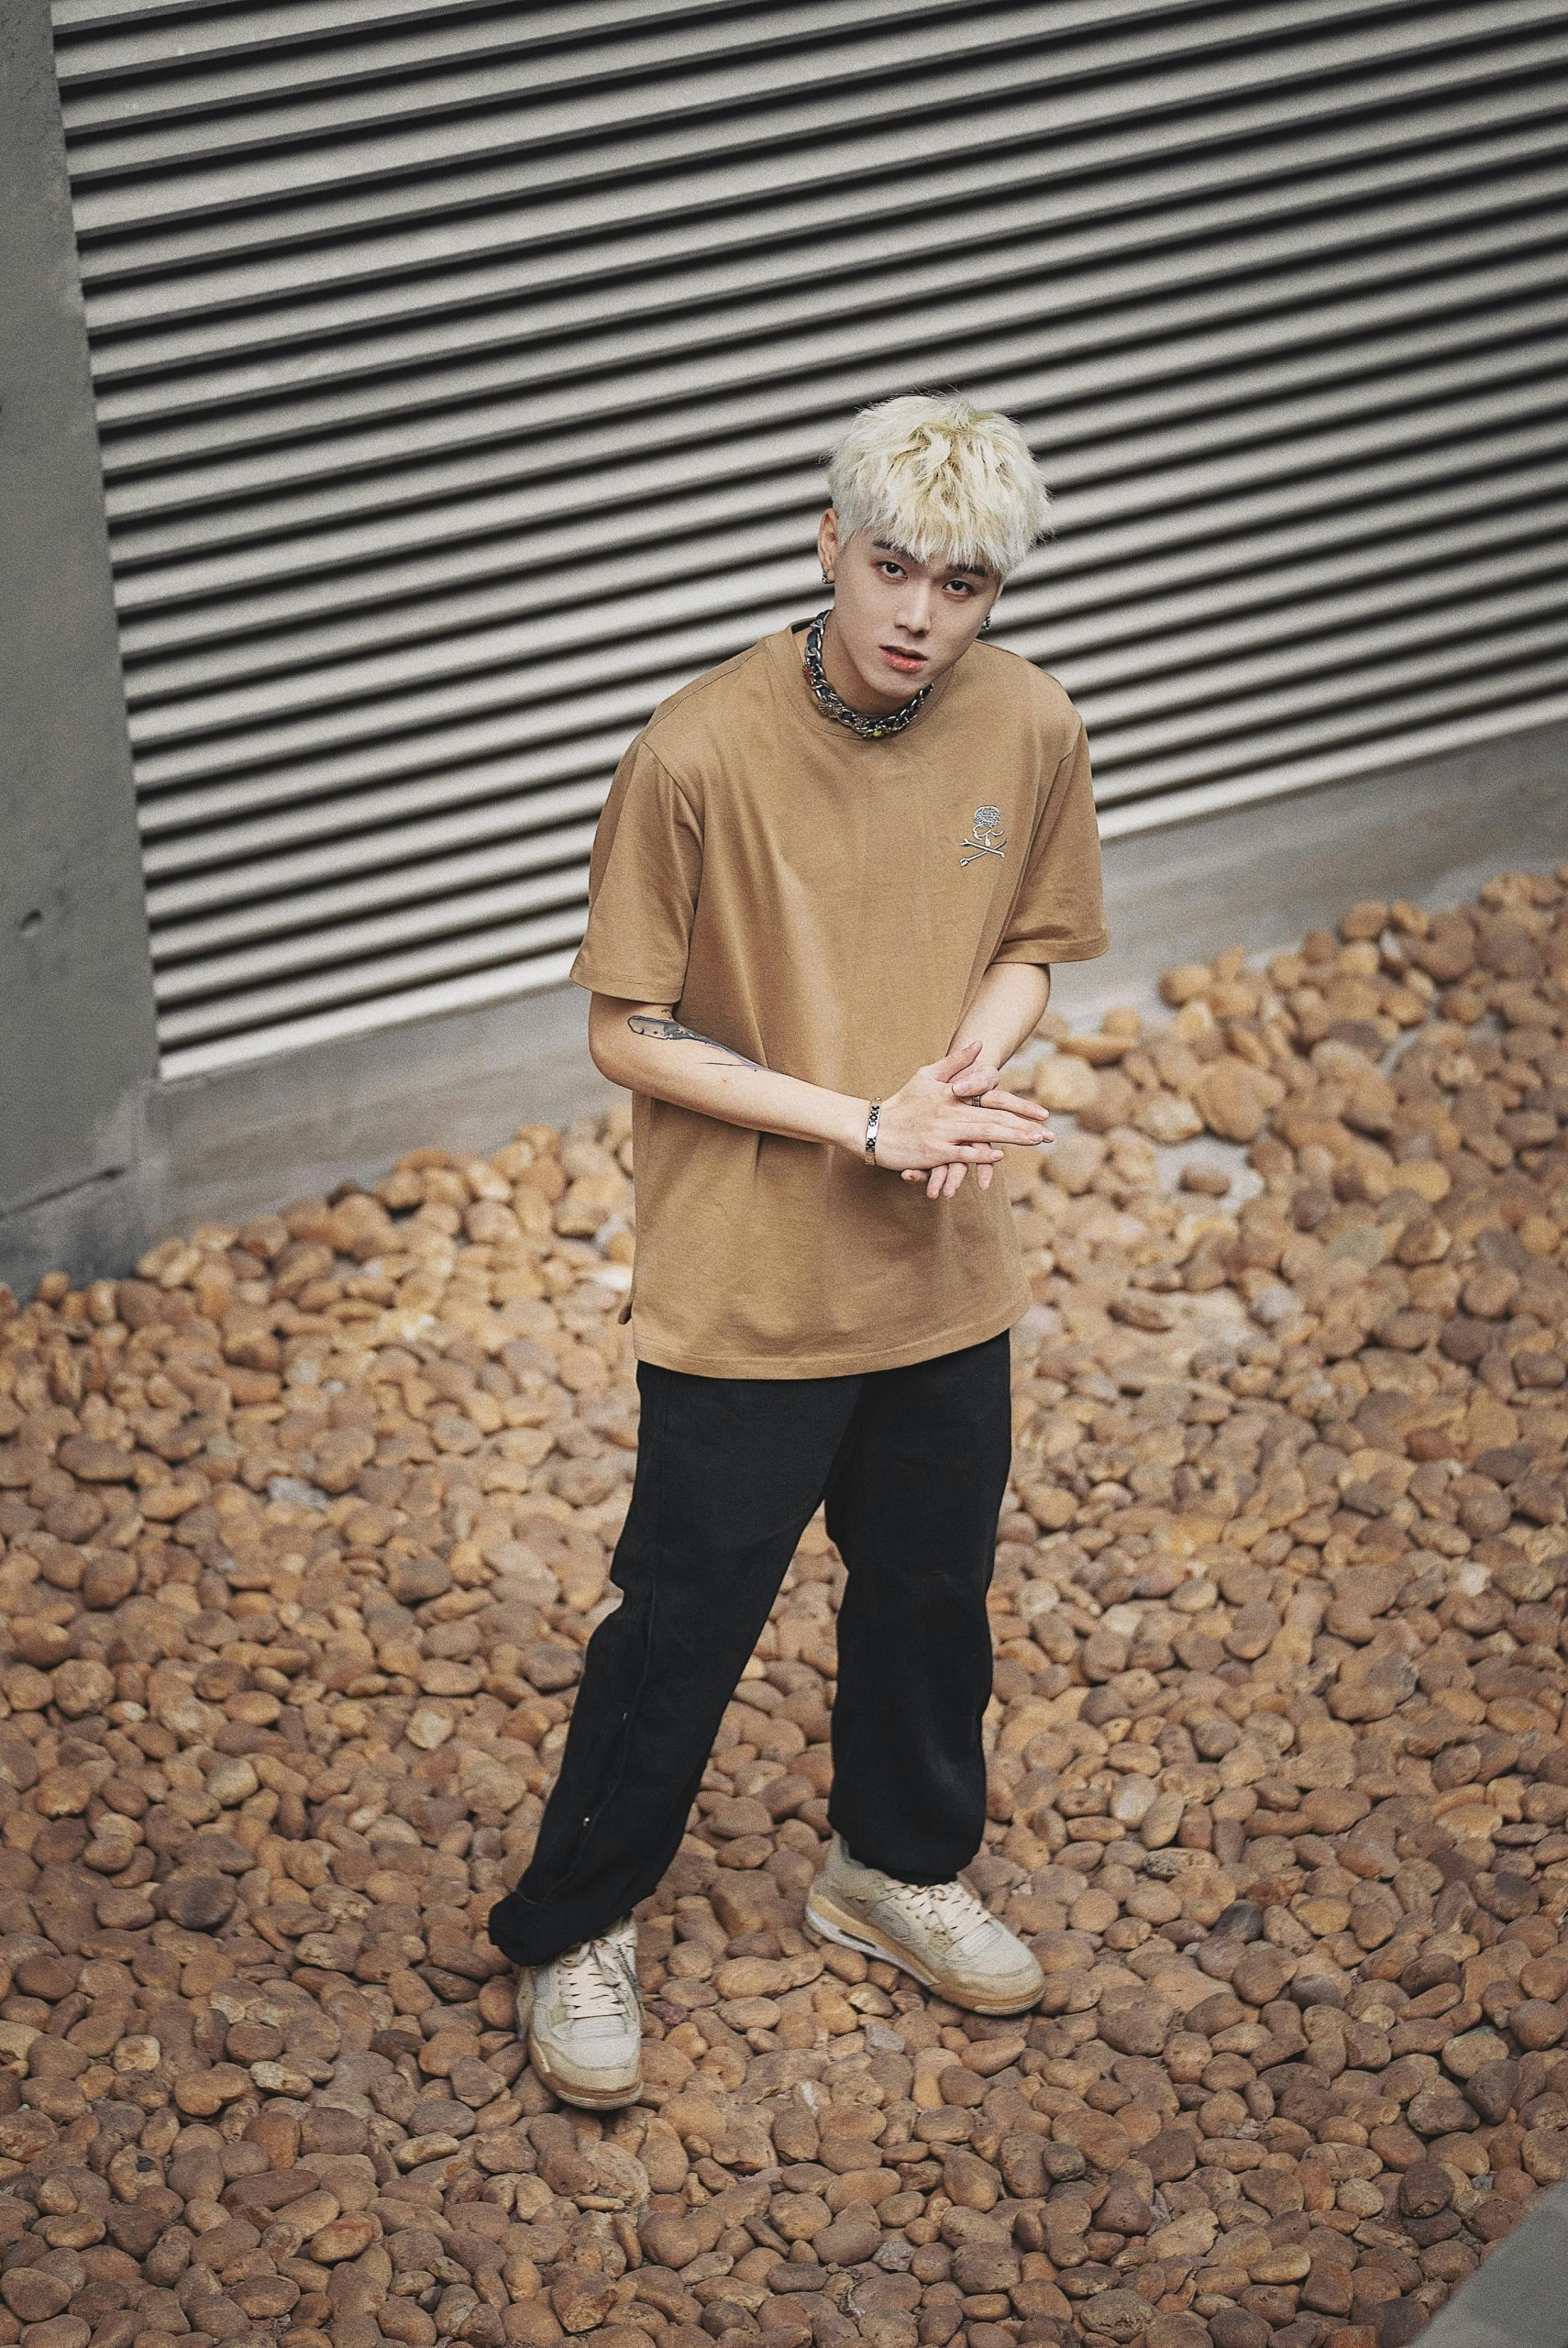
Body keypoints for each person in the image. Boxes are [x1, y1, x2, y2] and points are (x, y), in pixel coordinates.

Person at [487, 390, 1110, 2109]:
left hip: (940, 1271)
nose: (920, 615)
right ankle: (576, 1923)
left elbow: (1036, 942)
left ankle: (889, 1867)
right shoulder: (693, 753)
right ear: (826, 543)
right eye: (893, 565)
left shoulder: (1031, 728)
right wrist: (862, 1123)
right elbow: (624, 1028)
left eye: (965, 584)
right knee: (681, 1623)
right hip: (752, 1283)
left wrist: (974, 1061)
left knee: (930, 1599)